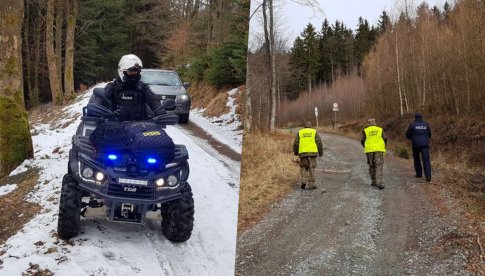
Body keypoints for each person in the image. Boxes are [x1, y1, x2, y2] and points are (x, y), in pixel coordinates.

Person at [92, 54, 166, 121]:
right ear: (122, 71)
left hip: (140, 128)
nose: (134, 73)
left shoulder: (143, 87)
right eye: (131, 71)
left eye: (136, 71)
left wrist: (162, 114)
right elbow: (100, 100)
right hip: (116, 127)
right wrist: (94, 110)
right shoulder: (113, 86)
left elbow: (154, 100)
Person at [293, 121, 323, 190]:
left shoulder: (300, 132)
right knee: (311, 167)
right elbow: (319, 142)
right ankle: (311, 184)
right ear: (310, 126)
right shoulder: (314, 132)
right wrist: (320, 152)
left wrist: (295, 152)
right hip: (312, 153)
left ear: (305, 126)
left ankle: (303, 181)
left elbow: (296, 143)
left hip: (303, 153)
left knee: (304, 167)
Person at [361, 118, 387, 190]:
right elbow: (385, 139)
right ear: (375, 123)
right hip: (379, 150)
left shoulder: (365, 131)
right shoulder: (380, 130)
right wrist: (384, 146)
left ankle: (373, 181)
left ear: (368, 123)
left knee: (371, 165)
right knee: (378, 165)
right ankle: (378, 183)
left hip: (369, 151)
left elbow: (362, 141)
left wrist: (366, 146)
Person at [406, 112, 432, 182]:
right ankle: (428, 176)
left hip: (415, 145)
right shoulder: (426, 124)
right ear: (421, 117)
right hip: (425, 145)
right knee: (426, 160)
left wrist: (413, 138)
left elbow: (407, 134)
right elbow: (429, 134)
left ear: (415, 117)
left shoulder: (412, 125)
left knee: (417, 159)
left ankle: (419, 174)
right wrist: (425, 139)